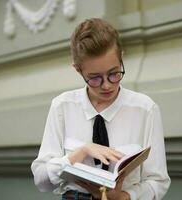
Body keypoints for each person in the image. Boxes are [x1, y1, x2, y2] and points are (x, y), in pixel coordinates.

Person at [31, 18, 170, 200]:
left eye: (114, 73)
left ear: (121, 58)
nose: (106, 85)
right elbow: (41, 179)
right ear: (78, 70)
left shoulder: (145, 109)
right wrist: (79, 154)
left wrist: (123, 197)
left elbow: (158, 182)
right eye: (95, 78)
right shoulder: (62, 106)